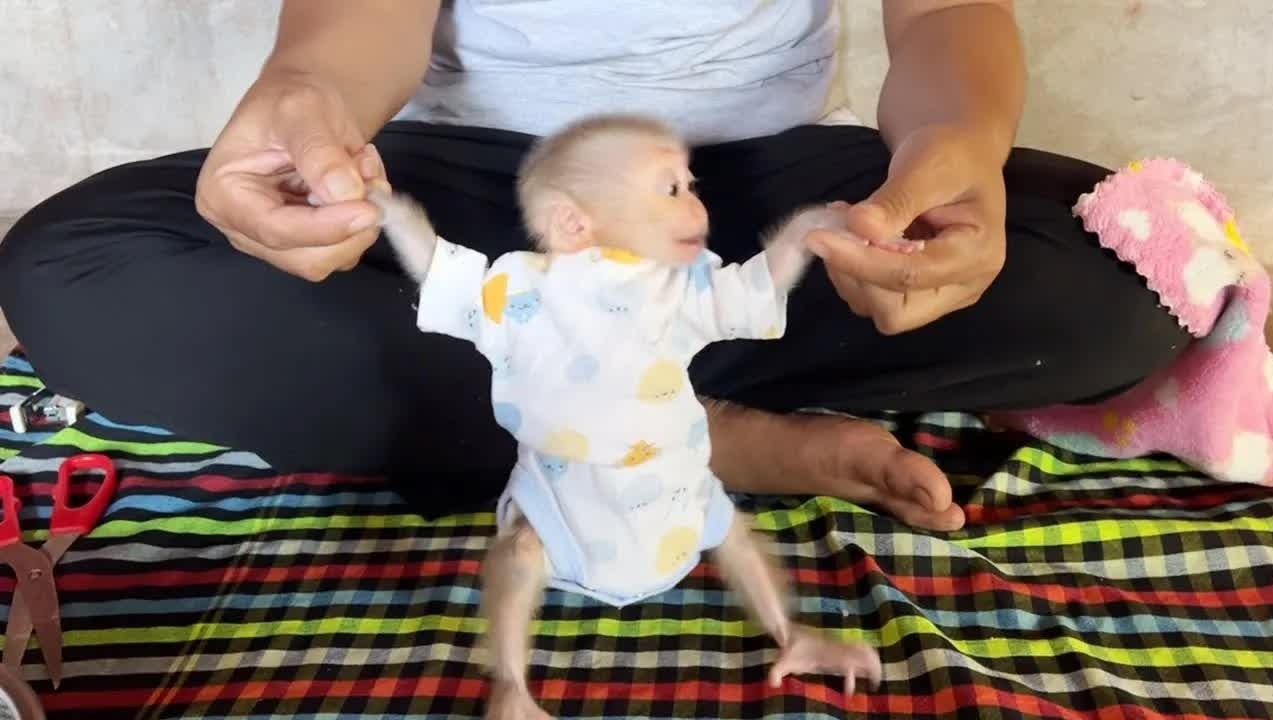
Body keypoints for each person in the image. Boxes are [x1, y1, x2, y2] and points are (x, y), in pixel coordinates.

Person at [0, 1, 1187, 532]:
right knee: (77, 266)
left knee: (1142, 266)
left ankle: (565, 396)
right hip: (480, 191)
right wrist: (301, 102)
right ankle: (713, 435)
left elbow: (943, 16)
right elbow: (356, 21)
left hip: (750, 193)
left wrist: (952, 148)